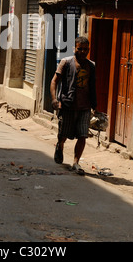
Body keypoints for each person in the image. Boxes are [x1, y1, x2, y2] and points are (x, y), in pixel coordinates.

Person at [50, 36, 97, 176]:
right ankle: (60, 145)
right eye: (80, 49)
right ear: (74, 48)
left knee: (83, 135)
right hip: (68, 105)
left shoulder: (91, 65)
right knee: (63, 134)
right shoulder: (66, 62)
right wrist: (54, 99)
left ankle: (76, 162)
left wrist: (95, 105)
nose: (83, 52)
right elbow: (54, 82)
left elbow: (93, 86)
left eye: (85, 49)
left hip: (85, 107)